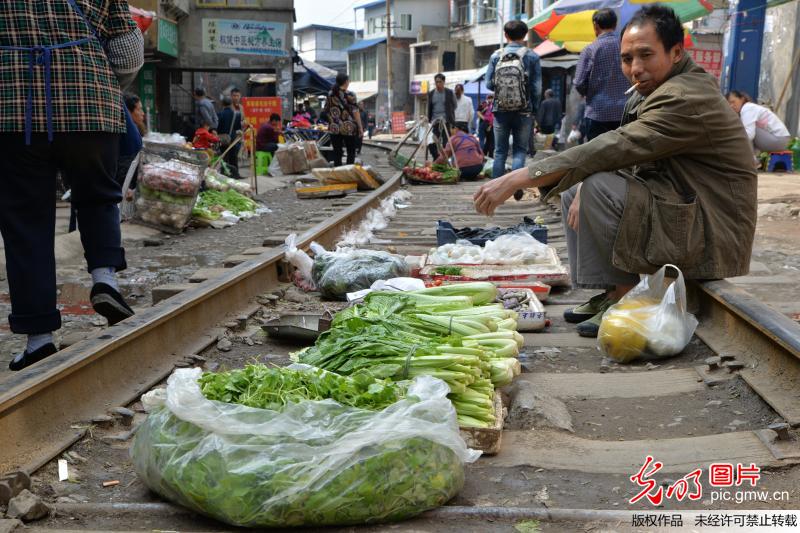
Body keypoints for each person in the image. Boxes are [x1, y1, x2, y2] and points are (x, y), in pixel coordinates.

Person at [474, 5, 757, 338]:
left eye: (646, 55)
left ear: (676, 52)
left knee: (595, 186)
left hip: (711, 229)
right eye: (627, 59)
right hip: (684, 207)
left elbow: (618, 146)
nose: (635, 68)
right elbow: (631, 155)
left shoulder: (684, 98)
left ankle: (626, 300)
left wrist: (520, 176)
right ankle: (610, 292)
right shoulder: (656, 88)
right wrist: (579, 182)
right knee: (578, 186)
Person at [0, 0, 143, 370]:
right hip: (90, 104)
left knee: (26, 224)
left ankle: (39, 338)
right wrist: (98, 81)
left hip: (16, 111)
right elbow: (128, 53)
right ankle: (105, 280)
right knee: (98, 196)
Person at [485, 19, 542, 191]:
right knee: (519, 151)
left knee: (500, 152)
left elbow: (489, 84)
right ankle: (515, 188)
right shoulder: (532, 56)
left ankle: (495, 189)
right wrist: (534, 109)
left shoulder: (496, 56)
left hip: (500, 110)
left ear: (505, 35)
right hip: (524, 110)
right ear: (525, 35)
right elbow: (537, 88)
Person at [573, 8, 631, 141]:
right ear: (615, 25)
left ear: (595, 25)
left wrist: (589, 92)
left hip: (598, 112)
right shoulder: (626, 47)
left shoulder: (590, 50)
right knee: (623, 155)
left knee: (599, 157)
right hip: (625, 111)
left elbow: (579, 82)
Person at [726, 90, 792, 155]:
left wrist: (733, 144)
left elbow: (749, 135)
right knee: (747, 130)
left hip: (780, 140)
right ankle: (753, 159)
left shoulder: (747, 108)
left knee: (747, 131)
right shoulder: (745, 110)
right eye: (729, 104)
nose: (732, 106)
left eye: (733, 102)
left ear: (742, 99)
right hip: (780, 141)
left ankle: (752, 160)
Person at [325, 72, 363, 166]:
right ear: (346, 82)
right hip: (349, 128)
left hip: (334, 127)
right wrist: (360, 127)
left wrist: (332, 120)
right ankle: (348, 172)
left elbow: (326, 110)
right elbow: (356, 112)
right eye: (348, 80)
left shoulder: (330, 94)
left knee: (337, 152)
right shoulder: (351, 95)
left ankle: (338, 173)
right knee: (351, 152)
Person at [118, 93, 148, 197]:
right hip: (125, 180)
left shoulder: (135, 128)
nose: (142, 113)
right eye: (139, 109)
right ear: (128, 112)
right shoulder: (127, 129)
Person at [426, 73, 457, 159]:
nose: (438, 84)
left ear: (444, 82)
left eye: (439, 82)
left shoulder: (449, 93)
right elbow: (429, 107)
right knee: (432, 141)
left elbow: (454, 105)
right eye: (436, 82)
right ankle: (436, 158)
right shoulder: (431, 94)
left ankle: (446, 160)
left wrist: (449, 115)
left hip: (446, 121)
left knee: (446, 142)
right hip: (434, 122)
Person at [217, 87, 245, 179]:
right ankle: (235, 175)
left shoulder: (220, 114)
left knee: (224, 157)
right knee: (233, 157)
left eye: (237, 95)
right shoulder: (237, 114)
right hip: (233, 138)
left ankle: (224, 174)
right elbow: (238, 127)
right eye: (234, 95)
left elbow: (219, 127)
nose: (236, 97)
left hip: (223, 138)